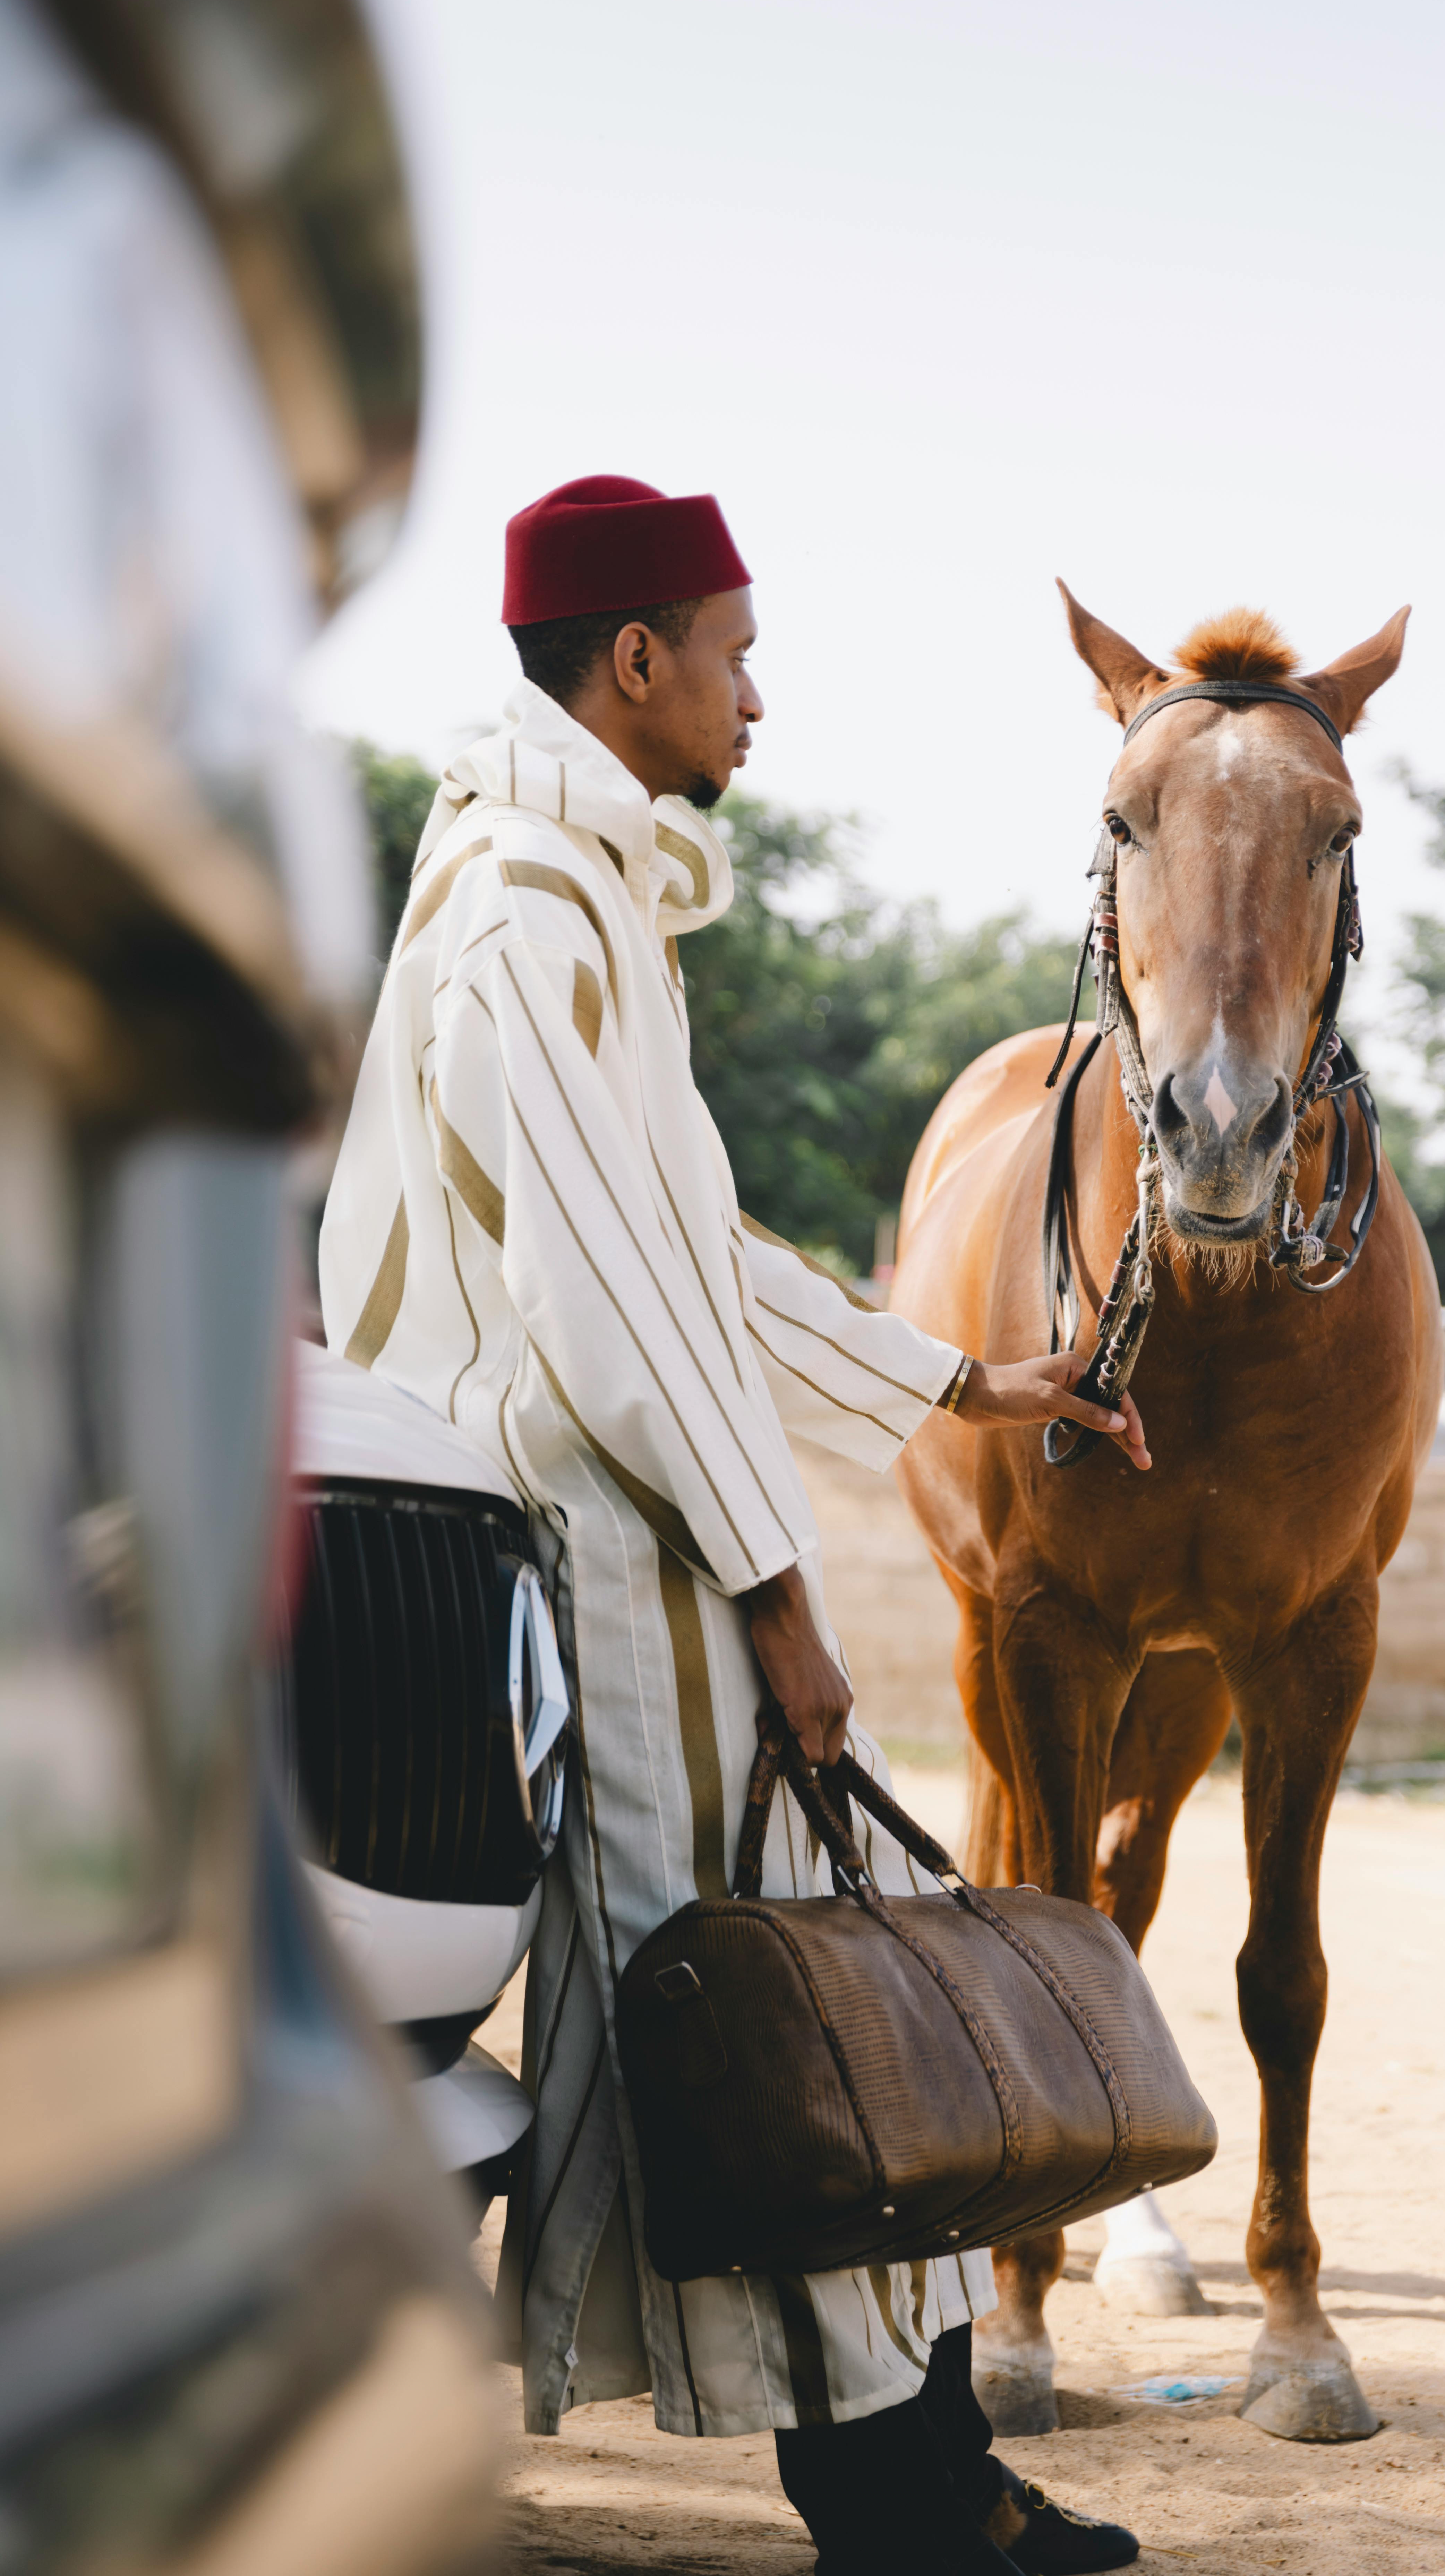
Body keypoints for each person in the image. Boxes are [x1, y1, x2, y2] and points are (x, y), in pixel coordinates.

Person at [318, 473, 1150, 2574]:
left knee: (795, 2002)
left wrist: (960, 1378)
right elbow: (612, 1310)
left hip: (640, 1540)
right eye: (738, 653)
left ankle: (924, 2477)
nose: (758, 699)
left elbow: (685, 1249)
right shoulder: (526, 903)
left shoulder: (583, 891)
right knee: (780, 2019)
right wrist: (780, 1594)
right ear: (634, 662)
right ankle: (904, 2506)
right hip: (611, 1562)